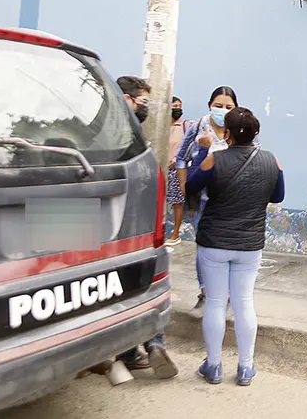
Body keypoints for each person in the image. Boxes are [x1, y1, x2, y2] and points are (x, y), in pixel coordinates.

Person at [186, 107, 284, 386]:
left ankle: (214, 366)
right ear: (257, 133)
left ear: (226, 133)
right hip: (250, 244)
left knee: (216, 302)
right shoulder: (271, 161)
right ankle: (245, 368)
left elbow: (191, 187)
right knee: (244, 303)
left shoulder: (214, 160)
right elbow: (278, 195)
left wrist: (203, 151)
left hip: (214, 242)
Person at [114, 76, 178, 379]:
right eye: (142, 100)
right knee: (144, 285)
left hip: (135, 228)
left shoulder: (128, 135)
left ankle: (138, 348)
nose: (146, 107)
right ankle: (148, 343)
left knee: (136, 286)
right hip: (127, 230)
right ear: (125, 99)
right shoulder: (118, 137)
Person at [175, 86, 259, 309]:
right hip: (200, 199)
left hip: (230, 200)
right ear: (209, 106)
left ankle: (227, 294)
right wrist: (185, 187)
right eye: (218, 106)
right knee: (204, 247)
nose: (222, 110)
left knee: (227, 248)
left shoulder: (240, 129)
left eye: (228, 107)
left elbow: (251, 157)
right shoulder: (197, 127)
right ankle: (206, 292)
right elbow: (181, 158)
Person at [166, 96, 192, 246]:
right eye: (174, 106)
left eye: (179, 106)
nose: (177, 109)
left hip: (177, 170)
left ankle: (175, 233)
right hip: (162, 169)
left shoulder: (186, 126)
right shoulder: (163, 128)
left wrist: (177, 161)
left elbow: (189, 148)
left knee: (177, 203)